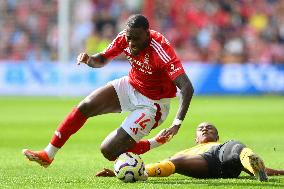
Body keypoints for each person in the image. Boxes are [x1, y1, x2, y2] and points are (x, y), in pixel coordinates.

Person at [22, 14, 194, 167]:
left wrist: (176, 124)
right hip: (131, 85)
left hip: (153, 105)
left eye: (136, 38)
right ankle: (48, 154)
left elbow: (187, 87)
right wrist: (89, 59)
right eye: (129, 38)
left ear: (147, 34)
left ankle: (156, 142)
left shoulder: (161, 50)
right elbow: (102, 59)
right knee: (86, 106)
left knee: (109, 150)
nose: (131, 43)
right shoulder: (124, 38)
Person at [96, 122, 284, 182]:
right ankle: (141, 175)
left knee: (238, 148)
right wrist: (116, 173)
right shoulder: (187, 151)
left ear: (216, 134)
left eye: (209, 128)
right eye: (201, 129)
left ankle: (255, 169)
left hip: (225, 156)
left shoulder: (225, 144)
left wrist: (280, 172)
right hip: (205, 163)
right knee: (175, 161)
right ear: (196, 138)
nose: (204, 129)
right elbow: (164, 165)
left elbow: (235, 151)